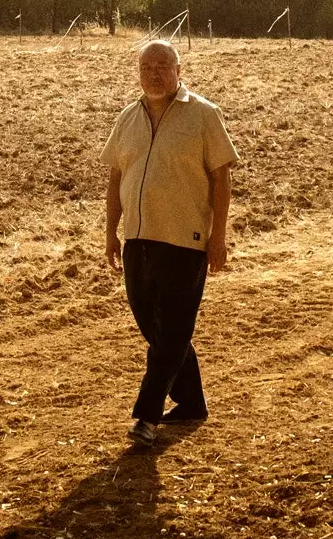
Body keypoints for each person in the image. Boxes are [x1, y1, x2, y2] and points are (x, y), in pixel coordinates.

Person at [102, 38, 239, 446]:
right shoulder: (127, 117)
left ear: (179, 70)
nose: (154, 74)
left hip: (185, 240)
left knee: (174, 328)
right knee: (159, 329)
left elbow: (222, 177)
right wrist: (111, 232)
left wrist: (218, 237)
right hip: (137, 241)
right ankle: (192, 402)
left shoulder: (203, 115)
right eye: (147, 67)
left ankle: (147, 415)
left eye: (162, 65)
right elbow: (114, 178)